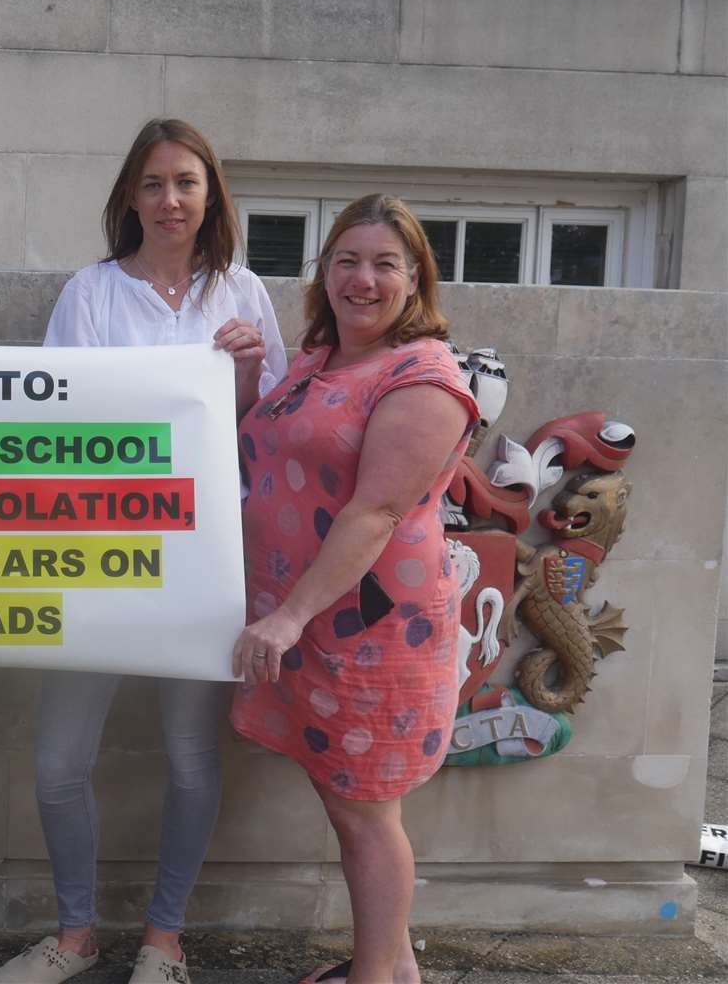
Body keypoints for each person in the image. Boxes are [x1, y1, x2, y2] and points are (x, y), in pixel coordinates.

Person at [0, 118, 287, 984]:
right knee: (57, 764)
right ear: (130, 195)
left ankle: (165, 938)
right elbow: (55, 422)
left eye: (186, 182)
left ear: (211, 195)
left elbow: (264, 433)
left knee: (192, 758)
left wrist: (240, 374)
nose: (170, 199)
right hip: (96, 553)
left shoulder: (244, 293)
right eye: (153, 183)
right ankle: (76, 935)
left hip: (205, 557)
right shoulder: (90, 292)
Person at [229, 194, 479, 984]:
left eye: (383, 264)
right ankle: (394, 968)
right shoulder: (319, 356)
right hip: (309, 627)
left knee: (364, 815)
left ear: (415, 281)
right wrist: (241, 377)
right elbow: (268, 451)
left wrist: (287, 619)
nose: (361, 279)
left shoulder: (425, 376)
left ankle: (376, 977)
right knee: (352, 807)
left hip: (367, 632)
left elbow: (375, 512)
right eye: (346, 260)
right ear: (324, 271)